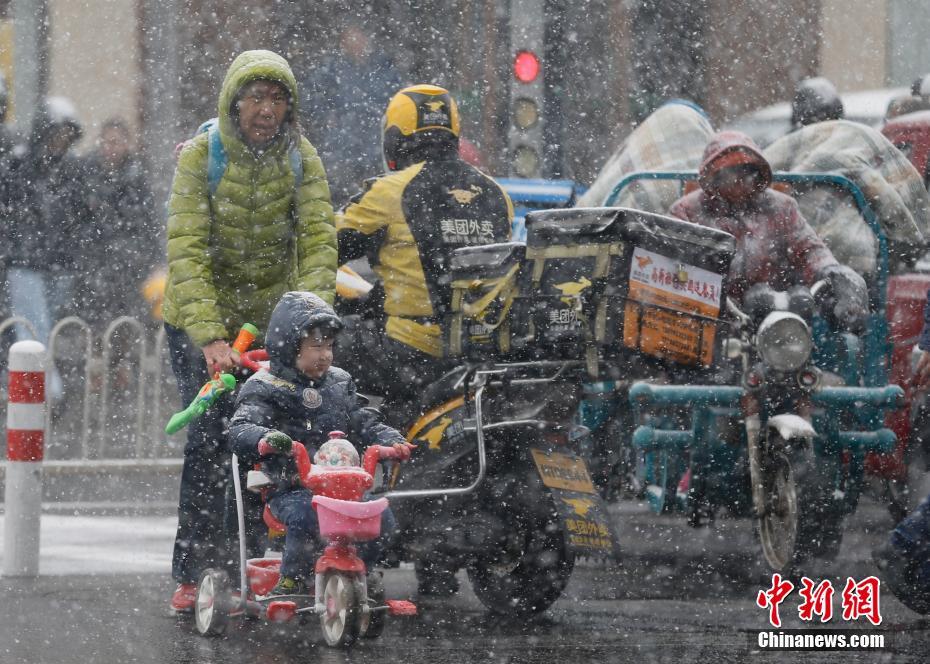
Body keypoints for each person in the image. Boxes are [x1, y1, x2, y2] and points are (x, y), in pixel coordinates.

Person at [163, 49, 337, 613]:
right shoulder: (200, 157)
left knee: (269, 444)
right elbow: (187, 250)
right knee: (212, 440)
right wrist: (211, 335)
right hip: (201, 323)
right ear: (234, 103)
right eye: (256, 98)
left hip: (272, 324)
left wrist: (306, 324)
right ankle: (195, 572)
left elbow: (317, 242)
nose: (266, 109)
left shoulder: (301, 158)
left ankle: (254, 564)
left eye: (277, 99)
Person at [335, 84, 513, 411]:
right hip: (479, 352)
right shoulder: (496, 194)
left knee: (313, 346)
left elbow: (323, 246)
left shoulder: (389, 192)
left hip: (412, 353)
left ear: (394, 137)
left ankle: (333, 452)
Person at [228, 291, 409, 595]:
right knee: (307, 516)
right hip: (291, 485)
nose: (325, 354)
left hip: (343, 486)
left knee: (381, 517)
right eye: (315, 347)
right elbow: (240, 427)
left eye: (329, 346)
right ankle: (291, 579)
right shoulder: (265, 386)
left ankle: (365, 569)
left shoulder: (339, 382)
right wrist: (266, 439)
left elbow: (363, 419)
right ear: (289, 348)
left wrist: (390, 440)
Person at [668, 130, 868, 328]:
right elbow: (674, 265)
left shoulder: (781, 207)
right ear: (713, 178)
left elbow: (809, 248)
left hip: (778, 321)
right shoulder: (686, 212)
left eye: (747, 172)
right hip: (709, 320)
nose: (740, 181)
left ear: (758, 173)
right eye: (730, 174)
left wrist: (831, 271)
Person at [2, 97, 88, 399]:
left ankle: (37, 387)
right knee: (32, 327)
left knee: (47, 326)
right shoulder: (19, 165)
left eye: (66, 135)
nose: (61, 141)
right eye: (56, 133)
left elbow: (81, 216)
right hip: (25, 263)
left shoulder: (71, 171)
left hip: (59, 264)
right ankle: (40, 388)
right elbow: (10, 212)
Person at [301, 22, 404, 206]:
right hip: (340, 149)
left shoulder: (382, 68)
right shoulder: (331, 69)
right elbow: (311, 99)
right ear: (342, 42)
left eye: (359, 37)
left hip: (374, 146)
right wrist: (326, 117)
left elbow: (396, 99)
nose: (356, 43)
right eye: (349, 38)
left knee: (376, 197)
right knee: (341, 198)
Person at [80, 118, 157, 330]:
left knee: (127, 321)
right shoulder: (88, 173)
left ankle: (124, 358)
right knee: (93, 321)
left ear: (126, 143)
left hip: (128, 266)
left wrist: (141, 254)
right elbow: (78, 219)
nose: (110, 148)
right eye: (107, 142)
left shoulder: (137, 176)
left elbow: (146, 222)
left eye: (116, 142)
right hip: (94, 264)